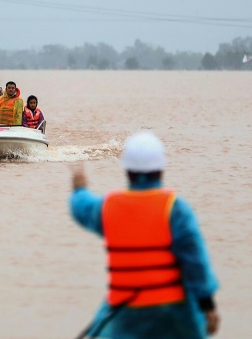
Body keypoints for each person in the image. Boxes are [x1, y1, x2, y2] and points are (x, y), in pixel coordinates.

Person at [69, 131, 220, 339]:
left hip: (125, 314)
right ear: (160, 169)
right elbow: (195, 261)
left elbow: (81, 208)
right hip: (174, 314)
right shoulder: (175, 209)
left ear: (126, 170)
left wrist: (79, 188)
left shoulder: (109, 207)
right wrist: (207, 305)